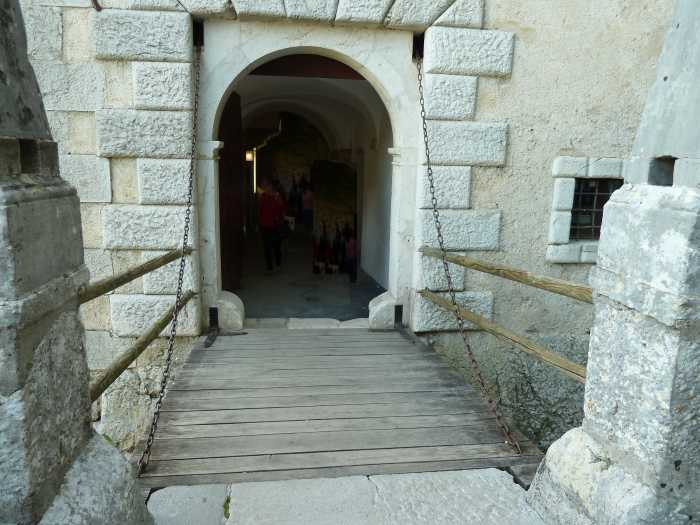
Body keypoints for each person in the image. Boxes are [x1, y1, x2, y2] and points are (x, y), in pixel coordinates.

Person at [258, 180, 284, 273]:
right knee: (267, 246)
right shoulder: (263, 197)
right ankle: (270, 266)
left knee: (276, 245)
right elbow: (260, 211)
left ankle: (278, 263)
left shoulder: (276, 197)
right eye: (264, 186)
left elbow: (281, 209)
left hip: (274, 224)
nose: (265, 188)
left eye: (267, 186)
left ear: (271, 187)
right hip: (265, 224)